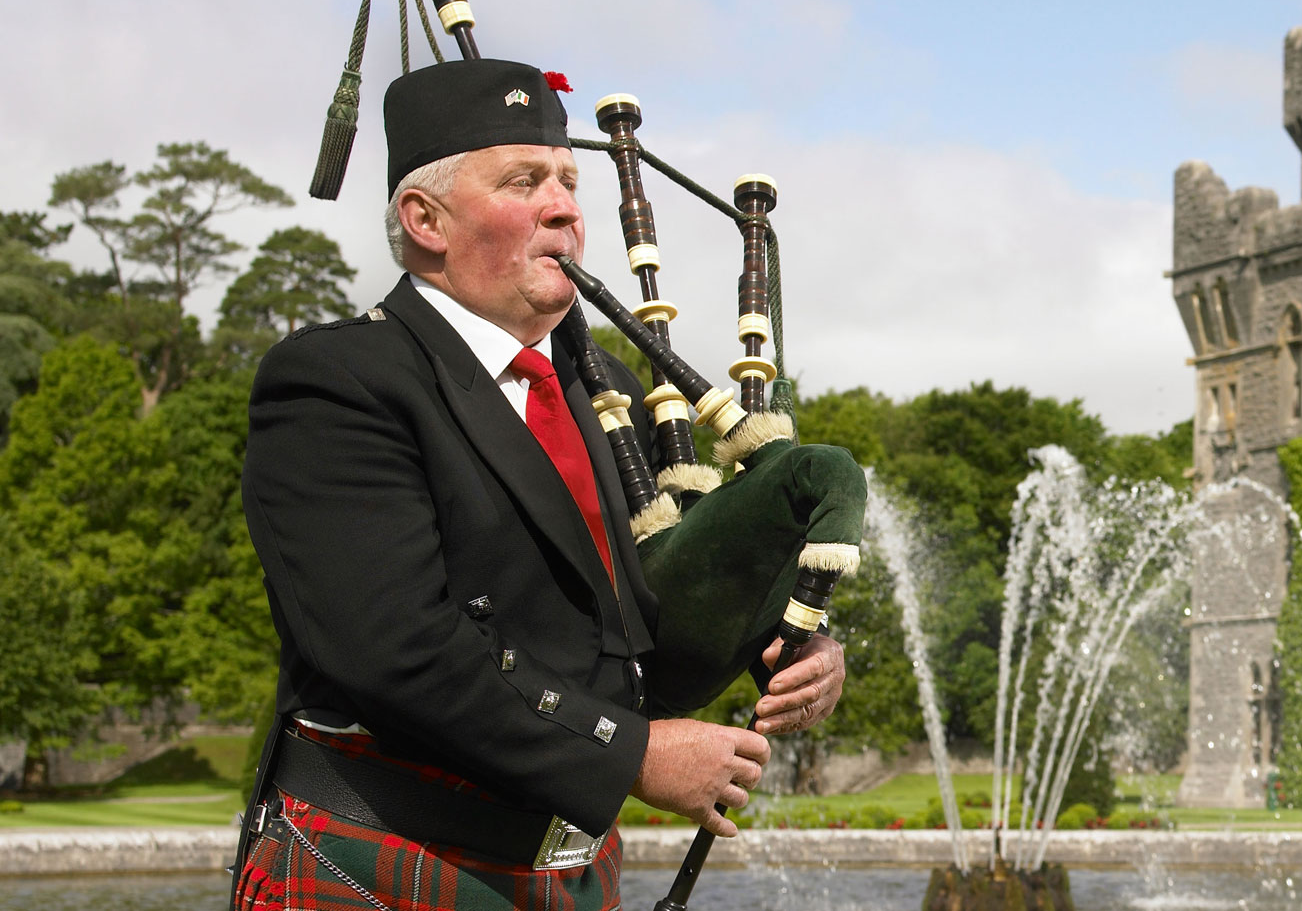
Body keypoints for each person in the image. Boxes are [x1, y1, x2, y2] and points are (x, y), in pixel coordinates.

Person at [231, 59, 850, 911]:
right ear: (425, 220)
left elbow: (657, 602)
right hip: (379, 865)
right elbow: (396, 649)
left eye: (569, 182)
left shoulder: (611, 396)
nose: (564, 209)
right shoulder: (340, 381)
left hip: (574, 874)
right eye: (523, 182)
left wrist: (790, 641)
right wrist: (632, 754)